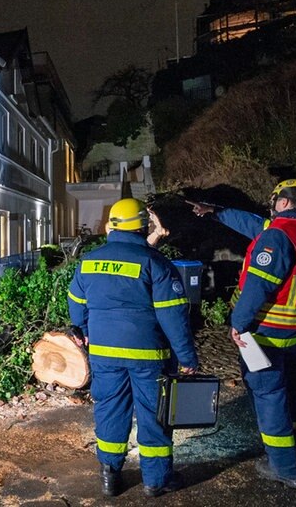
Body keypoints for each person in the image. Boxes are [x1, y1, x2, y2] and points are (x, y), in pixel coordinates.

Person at [189, 180, 296, 490]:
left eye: (276, 199)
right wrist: (217, 213)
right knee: (293, 386)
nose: (272, 203)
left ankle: (285, 467)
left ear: (286, 202)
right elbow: (255, 224)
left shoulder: (277, 238)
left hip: (269, 331)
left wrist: (238, 322)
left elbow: (257, 286)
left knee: (269, 395)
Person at [67, 198, 199, 498]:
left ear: (111, 225)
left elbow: (76, 305)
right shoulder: (156, 263)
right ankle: (156, 480)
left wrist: (85, 331)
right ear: (143, 226)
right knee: (154, 416)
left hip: (103, 354)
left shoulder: (89, 261)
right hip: (148, 357)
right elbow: (173, 316)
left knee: (110, 409)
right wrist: (187, 357)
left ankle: (110, 476)